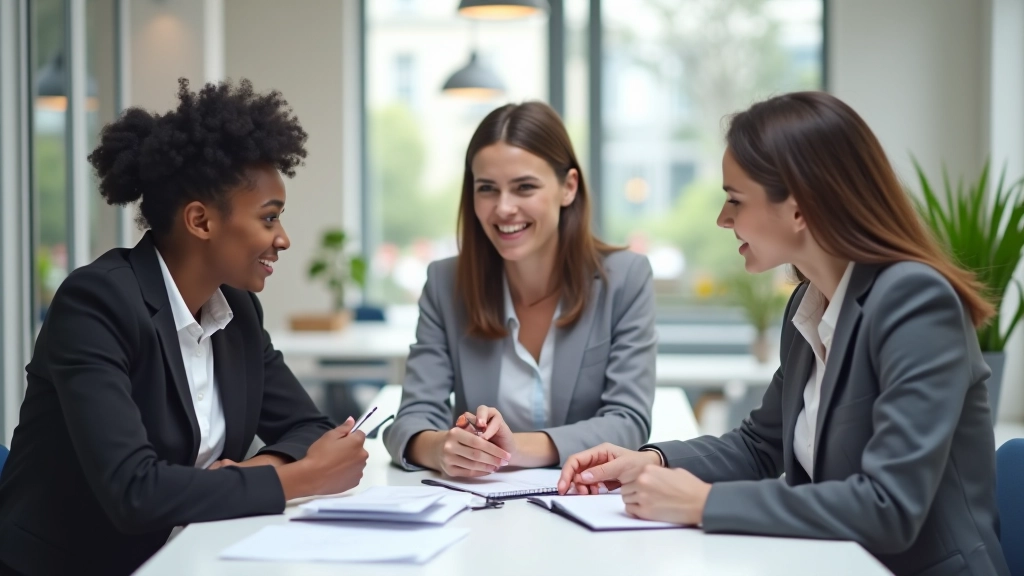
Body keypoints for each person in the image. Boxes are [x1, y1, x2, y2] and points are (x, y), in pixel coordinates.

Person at [557, 91, 1010, 576]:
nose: (722, 219)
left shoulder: (916, 300)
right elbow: (760, 444)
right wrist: (652, 461)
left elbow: (889, 507)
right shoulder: (810, 302)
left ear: (799, 208)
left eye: (734, 199)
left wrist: (704, 503)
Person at [0, 78, 369, 576]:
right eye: (269, 218)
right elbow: (135, 492)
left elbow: (308, 428)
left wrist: (260, 470)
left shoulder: (235, 312)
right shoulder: (97, 304)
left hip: (189, 553)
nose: (282, 239)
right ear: (200, 220)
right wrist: (300, 479)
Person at [383, 101, 656, 477]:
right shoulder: (446, 284)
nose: (504, 208)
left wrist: (516, 448)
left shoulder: (625, 278)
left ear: (568, 187)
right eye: (487, 189)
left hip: (582, 504)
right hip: (479, 512)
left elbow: (628, 422)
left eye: (524, 187)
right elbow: (410, 420)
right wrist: (439, 448)